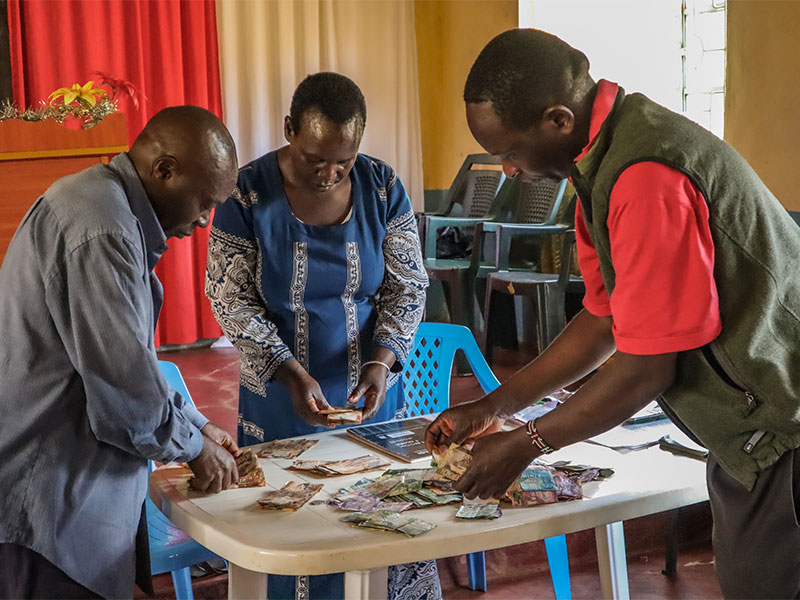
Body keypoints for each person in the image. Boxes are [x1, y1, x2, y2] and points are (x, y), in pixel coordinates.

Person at [425, 28, 800, 599]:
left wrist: (528, 444)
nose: (505, 170)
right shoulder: (600, 164)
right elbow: (604, 319)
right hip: (749, 426)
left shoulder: (644, 176)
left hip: (781, 422)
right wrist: (496, 404)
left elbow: (649, 366)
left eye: (510, 152)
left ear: (558, 120)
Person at [206, 72, 438, 600]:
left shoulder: (382, 187)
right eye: (316, 159)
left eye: (344, 161)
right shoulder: (247, 193)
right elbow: (230, 298)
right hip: (278, 399)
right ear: (289, 130)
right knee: (290, 529)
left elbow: (407, 287)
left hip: (372, 400)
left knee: (377, 528)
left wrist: (381, 364)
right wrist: (289, 372)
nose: (331, 174)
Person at [0, 105, 242, 599]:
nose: (202, 221)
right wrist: (197, 451)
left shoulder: (97, 200)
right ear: (164, 170)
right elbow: (126, 401)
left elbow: (122, 356)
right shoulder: (102, 231)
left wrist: (195, 424)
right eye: (202, 201)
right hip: (49, 508)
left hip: (61, 494)